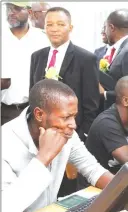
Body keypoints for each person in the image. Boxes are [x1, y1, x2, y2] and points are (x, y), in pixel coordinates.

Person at [2, 79, 114, 212]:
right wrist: (43, 158)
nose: (73, 124)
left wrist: (126, 189)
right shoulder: (5, 142)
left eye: (74, 116)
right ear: (39, 114)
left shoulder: (67, 134)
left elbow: (93, 170)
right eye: (66, 117)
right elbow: (5, 209)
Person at [30, 7, 99, 142]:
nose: (54, 29)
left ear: (70, 27)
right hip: (41, 133)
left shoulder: (86, 59)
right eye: (49, 24)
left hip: (72, 133)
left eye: (60, 24)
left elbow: (91, 103)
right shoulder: (37, 56)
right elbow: (32, 92)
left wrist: (82, 135)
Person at [1, 1, 49, 125]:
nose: (11, 12)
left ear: (29, 12)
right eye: (8, 8)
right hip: (5, 111)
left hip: (34, 111)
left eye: (17, 8)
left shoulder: (43, 40)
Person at [100, 10, 128, 110]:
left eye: (105, 28)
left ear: (111, 27)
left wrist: (105, 94)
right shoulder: (119, 48)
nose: (104, 31)